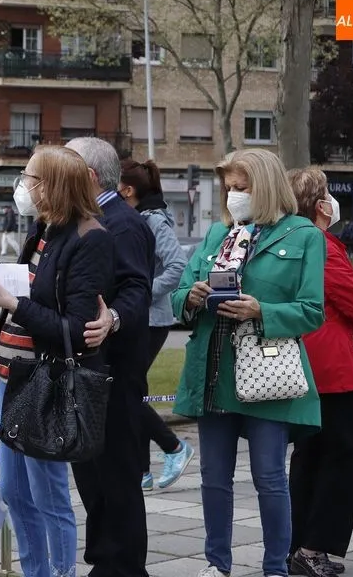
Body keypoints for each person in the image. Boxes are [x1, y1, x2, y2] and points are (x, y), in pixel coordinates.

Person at [171, 148, 325, 577]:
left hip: (267, 373)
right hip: (214, 372)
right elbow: (179, 297)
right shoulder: (217, 235)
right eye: (229, 189)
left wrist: (263, 311)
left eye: (243, 187)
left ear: (267, 185)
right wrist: (193, 297)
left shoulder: (302, 236)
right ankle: (217, 564)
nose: (234, 196)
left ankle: (275, 567)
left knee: (270, 478)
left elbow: (312, 310)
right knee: (213, 479)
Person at [0, 145, 117, 577]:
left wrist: (13, 303)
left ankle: (60, 572)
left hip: (45, 384)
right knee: (14, 490)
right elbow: (26, 289)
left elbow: (72, 328)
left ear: (53, 186)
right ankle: (37, 572)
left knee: (48, 495)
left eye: (30, 178)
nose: (23, 186)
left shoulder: (89, 240)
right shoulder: (43, 230)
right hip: (15, 378)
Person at [66, 137, 154, 577]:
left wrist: (113, 319)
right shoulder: (86, 218)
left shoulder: (122, 223)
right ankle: (105, 561)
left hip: (115, 370)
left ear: (89, 176)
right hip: (88, 371)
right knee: (92, 477)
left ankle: (124, 567)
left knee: (116, 477)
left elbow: (137, 287)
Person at [286, 167, 353, 577]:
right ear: (322, 206)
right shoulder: (320, 242)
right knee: (345, 453)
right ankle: (314, 546)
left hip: (306, 362)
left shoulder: (288, 238)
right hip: (331, 366)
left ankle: (298, 545)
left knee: (310, 455)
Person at [118, 159, 193, 490]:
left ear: (128, 190)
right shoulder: (137, 217)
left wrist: (143, 293)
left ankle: (174, 447)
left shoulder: (151, 221)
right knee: (135, 391)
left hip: (150, 320)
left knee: (124, 392)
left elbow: (178, 263)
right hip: (141, 318)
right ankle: (142, 470)